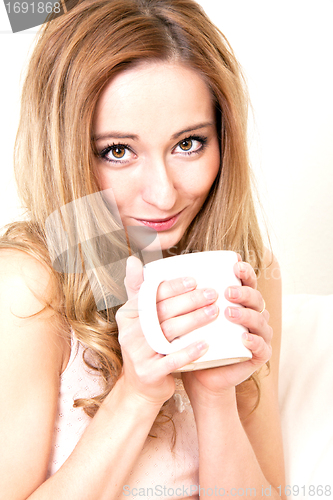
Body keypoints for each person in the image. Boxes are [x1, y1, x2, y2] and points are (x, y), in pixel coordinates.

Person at [0, 0, 285, 498]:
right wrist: (137, 394)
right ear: (66, 150)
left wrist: (215, 396)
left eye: (189, 143)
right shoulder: (28, 286)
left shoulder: (249, 270)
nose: (163, 193)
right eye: (118, 151)